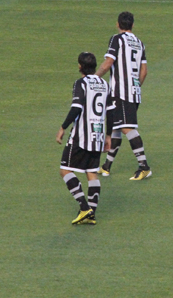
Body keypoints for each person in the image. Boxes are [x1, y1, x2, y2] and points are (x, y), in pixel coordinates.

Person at [95, 12, 152, 180]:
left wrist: (94, 78)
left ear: (117, 24)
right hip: (133, 92)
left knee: (127, 128)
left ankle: (144, 167)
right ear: (133, 25)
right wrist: (135, 86)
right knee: (116, 128)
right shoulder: (139, 43)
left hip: (121, 92)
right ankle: (106, 167)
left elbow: (108, 63)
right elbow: (144, 71)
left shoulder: (117, 39)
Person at [56, 52, 111, 225]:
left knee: (65, 170)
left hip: (81, 136)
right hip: (98, 135)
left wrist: (63, 127)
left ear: (80, 66)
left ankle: (84, 207)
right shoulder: (104, 83)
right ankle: (91, 213)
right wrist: (108, 136)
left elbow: (77, 108)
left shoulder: (81, 84)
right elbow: (110, 111)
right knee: (91, 172)